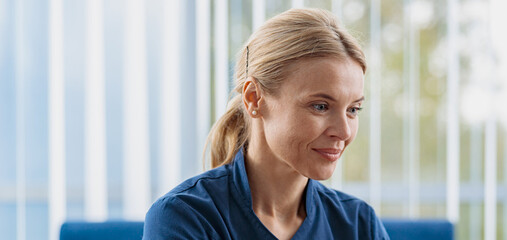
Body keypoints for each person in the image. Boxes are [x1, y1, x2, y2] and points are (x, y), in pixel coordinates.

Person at [143, 8, 389, 240]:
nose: (344, 132)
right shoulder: (183, 217)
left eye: (353, 110)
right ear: (254, 98)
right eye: (320, 106)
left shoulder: (359, 224)